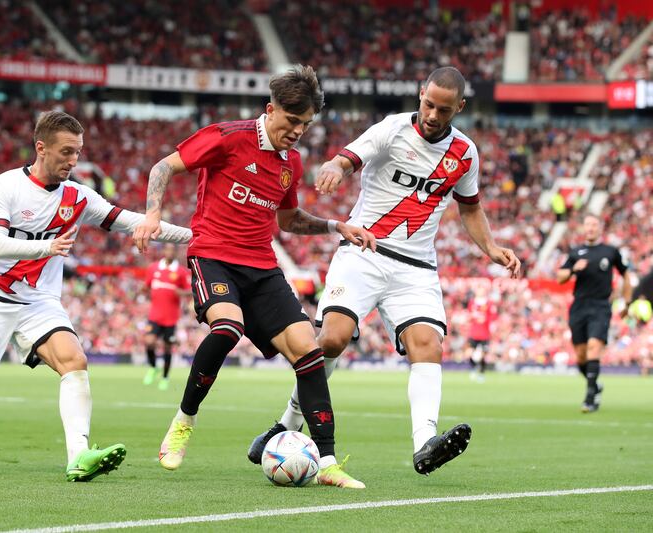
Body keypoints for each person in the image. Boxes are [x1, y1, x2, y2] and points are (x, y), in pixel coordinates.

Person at [247, 66, 522, 476]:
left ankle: (425, 443)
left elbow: (470, 208)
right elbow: (347, 158)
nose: (432, 115)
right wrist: (335, 170)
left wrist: (491, 248)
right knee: (333, 340)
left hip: (415, 268)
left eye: (444, 110)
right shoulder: (392, 130)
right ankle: (288, 422)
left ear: (460, 108)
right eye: (428, 104)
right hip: (363, 253)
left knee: (428, 345)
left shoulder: (465, 154)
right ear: (419, 94)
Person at [0, 111, 191, 480]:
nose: (74, 160)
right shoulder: (4, 187)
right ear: (41, 148)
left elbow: (134, 222)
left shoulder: (78, 197)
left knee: (74, 360)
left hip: (39, 301)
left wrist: (197, 235)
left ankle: (78, 456)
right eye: (67, 152)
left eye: (78, 152)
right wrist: (47, 248)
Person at [133, 65, 376, 489]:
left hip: (262, 268)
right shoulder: (228, 137)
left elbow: (290, 220)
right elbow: (162, 168)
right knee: (228, 327)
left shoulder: (290, 164)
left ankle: (328, 462)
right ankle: (183, 422)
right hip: (213, 257)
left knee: (309, 350)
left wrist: (338, 226)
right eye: (292, 121)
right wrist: (153, 212)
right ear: (271, 109)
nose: (298, 131)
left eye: (306, 124)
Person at [557, 214, 631, 413]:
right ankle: (596, 385)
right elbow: (560, 277)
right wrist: (573, 269)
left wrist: (626, 302)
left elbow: (626, 274)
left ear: (600, 228)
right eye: (587, 224)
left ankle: (590, 398)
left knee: (593, 348)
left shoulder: (611, 251)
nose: (590, 228)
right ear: (583, 228)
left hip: (600, 306)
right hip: (579, 306)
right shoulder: (576, 252)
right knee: (581, 356)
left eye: (594, 225)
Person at [142, 243, 190, 390]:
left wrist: (181, 293)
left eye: (172, 249)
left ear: (175, 252)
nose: (169, 251)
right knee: (149, 341)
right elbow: (146, 287)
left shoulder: (181, 272)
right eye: (167, 249)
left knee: (167, 348)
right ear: (163, 250)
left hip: (171, 317)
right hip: (155, 314)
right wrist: (145, 291)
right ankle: (153, 367)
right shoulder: (153, 268)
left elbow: (189, 291)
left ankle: (165, 377)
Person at [464, 286, 496, 382]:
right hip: (474, 332)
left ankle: (481, 373)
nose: (480, 292)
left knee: (483, 355)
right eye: (478, 290)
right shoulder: (472, 302)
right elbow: (469, 316)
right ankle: (474, 368)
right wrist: (472, 317)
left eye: (481, 290)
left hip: (484, 333)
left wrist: (486, 321)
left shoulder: (489, 303)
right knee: (469, 353)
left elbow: (493, 317)